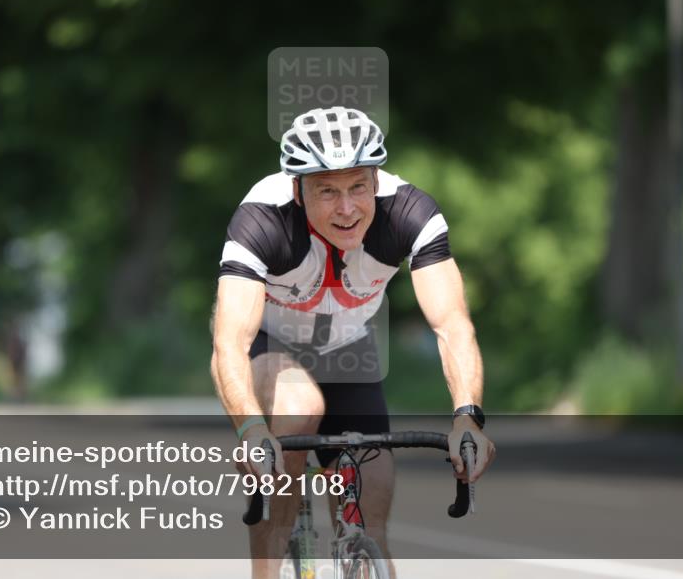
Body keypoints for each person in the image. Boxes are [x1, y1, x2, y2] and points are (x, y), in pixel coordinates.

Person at [210, 106, 495, 579]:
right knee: (296, 411)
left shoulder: (410, 213)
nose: (347, 208)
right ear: (299, 191)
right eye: (328, 191)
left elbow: (452, 324)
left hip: (347, 348)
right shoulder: (261, 219)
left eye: (359, 187)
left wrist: (468, 417)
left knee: (371, 506)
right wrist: (251, 431)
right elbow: (229, 341)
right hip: (270, 346)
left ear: (376, 180)